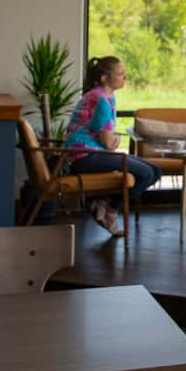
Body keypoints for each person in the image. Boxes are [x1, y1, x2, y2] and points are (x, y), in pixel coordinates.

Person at [65, 56, 160, 237]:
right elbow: (108, 142)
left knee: (155, 170)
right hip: (85, 157)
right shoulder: (100, 99)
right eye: (121, 73)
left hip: (92, 153)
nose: (125, 77)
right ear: (104, 78)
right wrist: (113, 140)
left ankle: (103, 205)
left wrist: (112, 140)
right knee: (147, 173)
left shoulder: (106, 96)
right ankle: (109, 208)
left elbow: (108, 141)